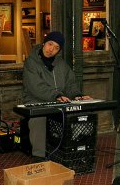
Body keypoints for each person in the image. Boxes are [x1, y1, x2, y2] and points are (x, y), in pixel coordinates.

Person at [22, 31, 91, 159]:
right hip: (36, 99)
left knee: (79, 114)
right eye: (50, 44)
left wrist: (77, 95)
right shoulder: (31, 62)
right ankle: (39, 156)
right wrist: (56, 95)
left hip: (58, 99)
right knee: (39, 118)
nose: (51, 49)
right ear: (44, 43)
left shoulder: (61, 64)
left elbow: (70, 83)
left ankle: (73, 151)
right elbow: (36, 87)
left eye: (56, 47)